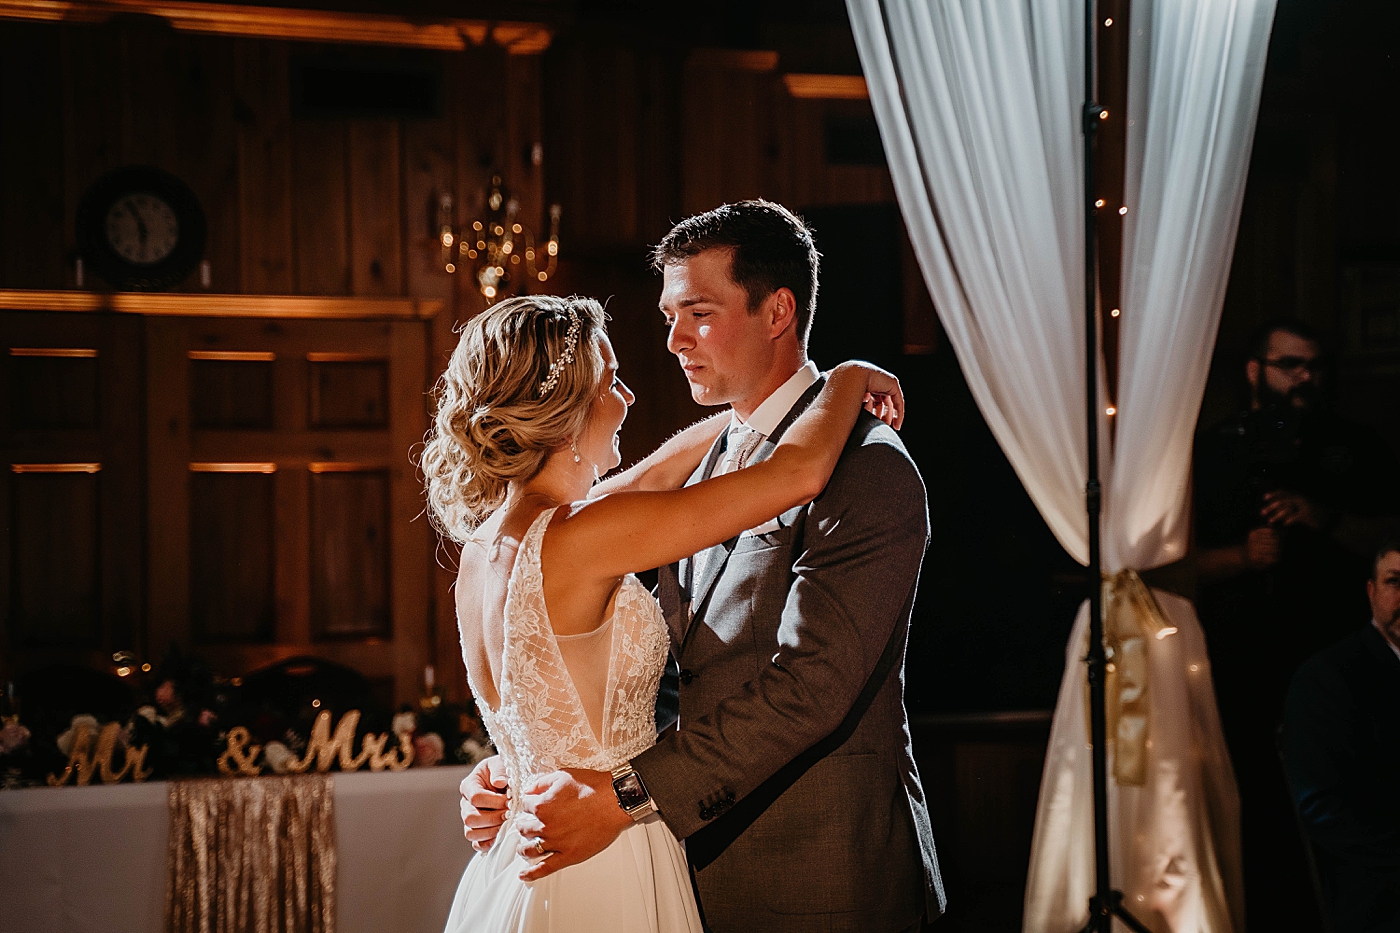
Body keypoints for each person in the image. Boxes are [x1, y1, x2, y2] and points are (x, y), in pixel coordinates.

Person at [458, 201, 944, 933]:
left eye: (699, 312)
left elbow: (810, 687)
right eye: (668, 315)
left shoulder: (866, 467)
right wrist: (523, 770)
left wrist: (593, 783)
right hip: (665, 862)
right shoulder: (671, 489)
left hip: (820, 878)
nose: (674, 340)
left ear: (778, 310)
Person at [1193, 319, 1400, 929]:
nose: (1305, 377)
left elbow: (1393, 532)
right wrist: (1240, 556)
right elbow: (1170, 564)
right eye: (1290, 364)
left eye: (1314, 365)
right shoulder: (1212, 448)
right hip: (1240, 657)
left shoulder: (1354, 444)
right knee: (1256, 802)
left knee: (1353, 796)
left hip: (1341, 651)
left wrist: (1325, 518)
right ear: (1255, 370)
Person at [1281, 540, 1400, 933]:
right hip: (1381, 890)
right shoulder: (1329, 677)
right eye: (1395, 582)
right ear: (1372, 592)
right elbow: (1323, 808)